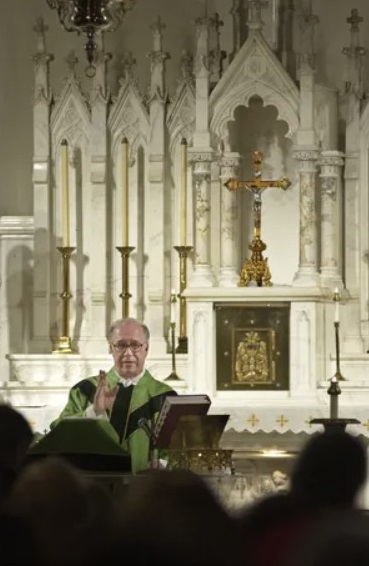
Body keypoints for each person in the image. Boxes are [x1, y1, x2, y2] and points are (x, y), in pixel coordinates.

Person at [50, 317, 177, 473]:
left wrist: (162, 464)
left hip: (145, 489)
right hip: (94, 488)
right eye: (121, 345)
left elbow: (177, 447)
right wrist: (94, 411)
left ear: (146, 348)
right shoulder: (85, 390)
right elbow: (58, 435)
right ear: (111, 348)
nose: (128, 353)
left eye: (135, 345)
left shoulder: (165, 397)